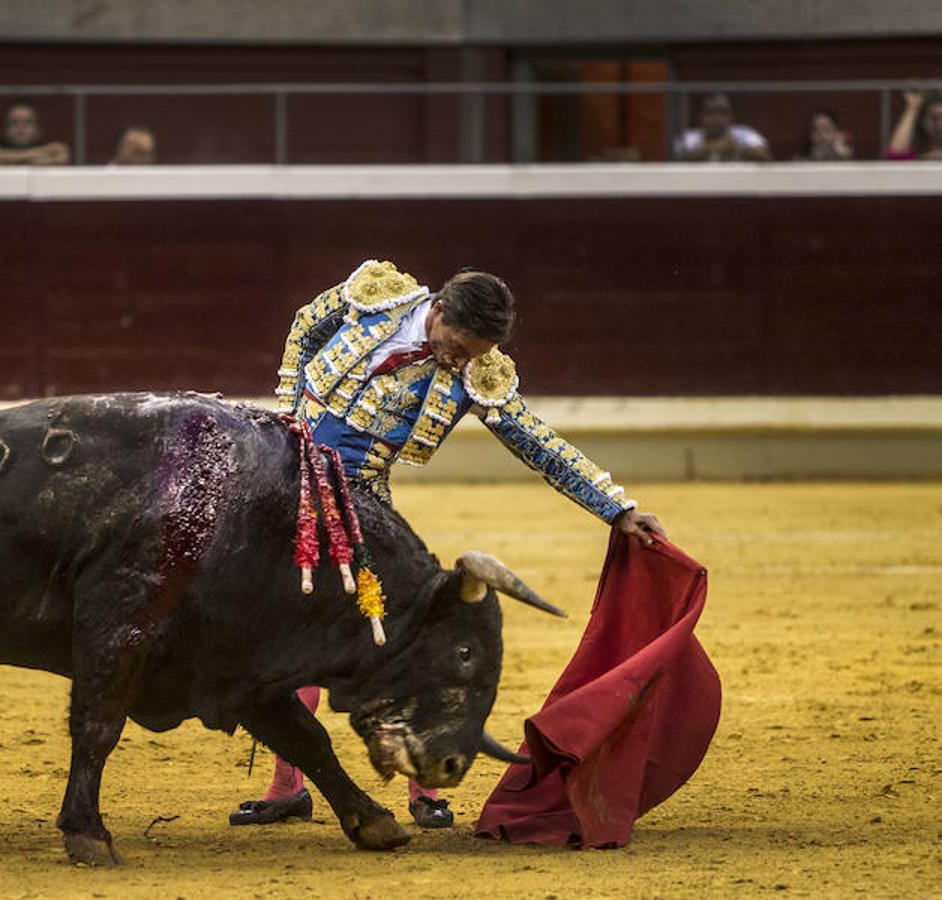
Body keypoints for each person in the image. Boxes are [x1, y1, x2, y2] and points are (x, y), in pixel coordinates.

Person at [231, 259, 665, 831]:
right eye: (456, 345)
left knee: (402, 641)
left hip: (362, 507)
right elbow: (306, 324)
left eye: (472, 353)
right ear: (435, 312)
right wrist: (284, 406)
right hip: (282, 485)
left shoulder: (475, 375)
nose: (461, 361)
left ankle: (424, 784)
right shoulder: (374, 294)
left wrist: (617, 507)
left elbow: (538, 443)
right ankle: (288, 786)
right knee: (287, 637)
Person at [673, 93, 770, 162]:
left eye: (723, 112)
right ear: (701, 116)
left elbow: (764, 155)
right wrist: (712, 148)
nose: (717, 118)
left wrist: (737, 147)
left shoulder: (744, 133)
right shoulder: (690, 137)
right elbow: (679, 157)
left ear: (731, 115)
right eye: (711, 113)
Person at [0, 100, 69, 165]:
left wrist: (8, 158)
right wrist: (39, 156)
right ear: (5, 128)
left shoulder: (47, 146)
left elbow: (62, 155)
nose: (21, 128)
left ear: (38, 128)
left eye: (28, 122)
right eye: (14, 122)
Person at [886, 90, 942, 160]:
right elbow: (896, 155)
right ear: (923, 122)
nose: (940, 123)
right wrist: (913, 108)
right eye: (934, 118)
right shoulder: (916, 154)